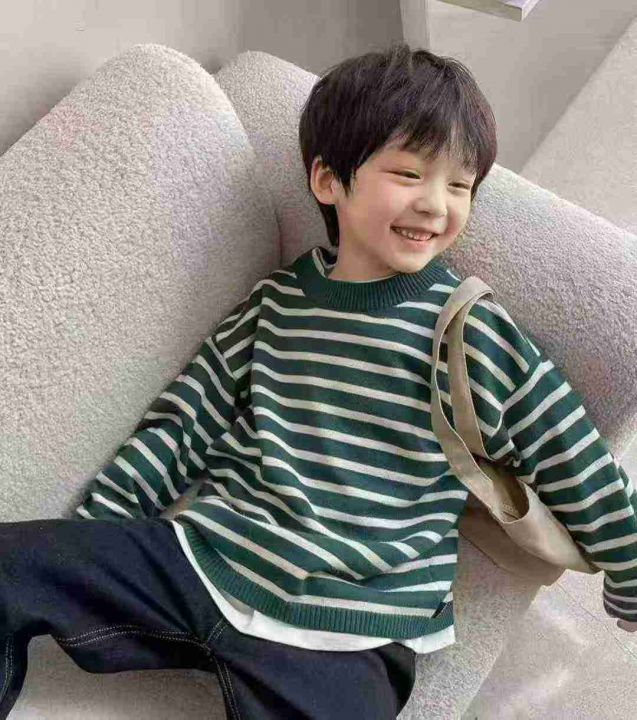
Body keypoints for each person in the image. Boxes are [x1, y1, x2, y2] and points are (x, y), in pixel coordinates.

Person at [1, 43, 636, 720]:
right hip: (208, 558)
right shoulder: (274, 303)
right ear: (329, 180)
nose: (435, 205)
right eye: (409, 173)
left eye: (459, 186)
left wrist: (628, 572)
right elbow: (183, 423)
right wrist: (99, 538)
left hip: (358, 627)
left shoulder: (468, 329)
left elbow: (569, 454)